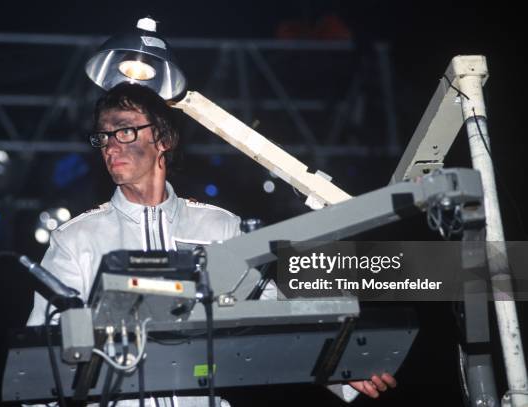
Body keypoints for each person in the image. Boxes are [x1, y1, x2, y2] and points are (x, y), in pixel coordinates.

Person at [27, 82, 395, 403]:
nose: (110, 146)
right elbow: (40, 354)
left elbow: (279, 315)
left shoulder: (217, 226)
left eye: (124, 131)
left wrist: (343, 366)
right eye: (103, 136)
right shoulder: (76, 238)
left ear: (163, 140)